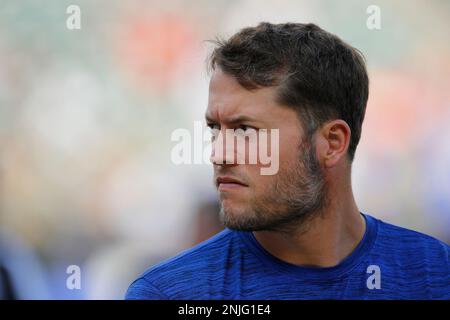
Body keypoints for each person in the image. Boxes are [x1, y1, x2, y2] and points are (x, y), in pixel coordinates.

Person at [125, 22, 449, 299]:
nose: (218, 153)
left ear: (332, 143)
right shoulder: (172, 293)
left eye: (245, 130)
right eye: (215, 129)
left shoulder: (435, 274)